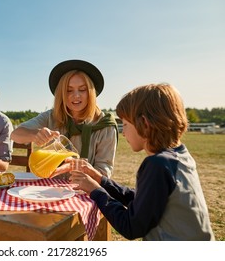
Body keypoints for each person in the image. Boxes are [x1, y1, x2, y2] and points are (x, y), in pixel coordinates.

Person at [71, 83, 215, 241]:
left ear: (144, 123)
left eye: (125, 124)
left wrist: (95, 191)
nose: (123, 133)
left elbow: (131, 226)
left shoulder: (157, 165)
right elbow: (145, 200)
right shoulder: (179, 156)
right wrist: (101, 180)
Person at [11, 59, 118, 178]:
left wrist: (75, 167)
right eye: (68, 90)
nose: (76, 95)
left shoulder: (105, 125)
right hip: (50, 189)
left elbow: (104, 173)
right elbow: (15, 134)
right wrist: (34, 134)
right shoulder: (51, 116)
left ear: (91, 92)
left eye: (82, 89)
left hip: (85, 192)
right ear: (61, 94)